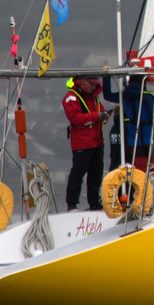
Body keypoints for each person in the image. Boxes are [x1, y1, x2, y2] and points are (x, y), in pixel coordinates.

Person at [104, 72, 154, 210]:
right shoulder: (147, 96)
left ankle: (142, 204)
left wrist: (106, 76)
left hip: (135, 143)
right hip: (153, 141)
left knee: (139, 175)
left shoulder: (124, 96)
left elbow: (107, 95)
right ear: (144, 82)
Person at [63, 76, 107, 211]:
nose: (94, 87)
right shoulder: (71, 98)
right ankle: (72, 204)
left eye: (96, 85)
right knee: (78, 173)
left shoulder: (93, 98)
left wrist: (104, 116)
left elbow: (100, 112)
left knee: (96, 173)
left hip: (97, 141)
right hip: (82, 143)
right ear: (83, 82)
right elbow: (76, 118)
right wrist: (97, 116)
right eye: (92, 84)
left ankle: (94, 202)